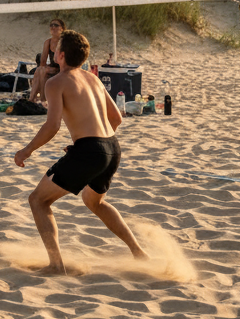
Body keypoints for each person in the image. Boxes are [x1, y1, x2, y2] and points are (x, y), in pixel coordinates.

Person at [14, 29, 146, 274]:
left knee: (38, 200)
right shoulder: (93, 78)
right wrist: (90, 143)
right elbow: (116, 118)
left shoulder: (55, 83)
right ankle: (138, 252)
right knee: (94, 202)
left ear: (60, 55)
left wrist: (26, 150)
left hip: (91, 151)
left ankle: (56, 266)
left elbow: (52, 125)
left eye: (57, 49)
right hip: (112, 148)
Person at [28, 17, 65, 102]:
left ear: (62, 29)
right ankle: (32, 98)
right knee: (39, 70)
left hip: (62, 68)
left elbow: (64, 61)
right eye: (51, 25)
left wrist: (45, 69)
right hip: (52, 67)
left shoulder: (63, 42)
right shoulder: (48, 42)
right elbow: (43, 61)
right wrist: (43, 68)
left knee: (42, 71)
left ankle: (42, 98)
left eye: (56, 25)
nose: (53, 27)